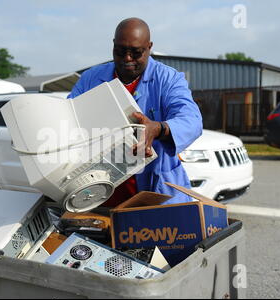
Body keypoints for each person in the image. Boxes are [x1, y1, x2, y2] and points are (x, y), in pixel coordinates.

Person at [68, 17, 203, 204]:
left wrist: (158, 129)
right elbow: (69, 116)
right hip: (101, 193)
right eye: (120, 51)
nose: (127, 59)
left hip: (155, 191)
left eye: (136, 53)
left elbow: (192, 120)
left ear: (149, 47)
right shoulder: (91, 78)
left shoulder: (168, 79)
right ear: (113, 45)